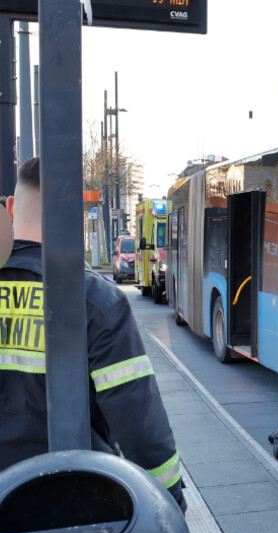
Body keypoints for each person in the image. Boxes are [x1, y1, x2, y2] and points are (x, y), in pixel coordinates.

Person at [0, 157, 186, 512]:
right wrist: (171, 503)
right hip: (66, 508)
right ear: (75, 217)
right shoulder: (97, 302)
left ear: (11, 208)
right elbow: (140, 425)